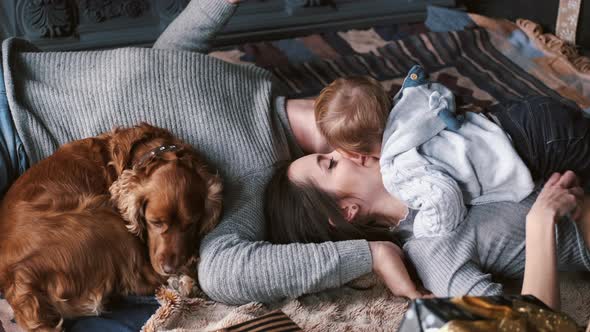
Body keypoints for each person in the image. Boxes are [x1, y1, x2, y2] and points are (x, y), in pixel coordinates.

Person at [0, 1, 436, 330]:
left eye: (378, 151)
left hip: (18, 137)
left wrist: (371, 253)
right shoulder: (266, 85)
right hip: (17, 71)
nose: (363, 150)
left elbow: (223, 272)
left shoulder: (252, 174)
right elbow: (166, 65)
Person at [265, 94, 590, 310]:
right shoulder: (431, 251)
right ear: (346, 211)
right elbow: (527, 327)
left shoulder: (421, 151)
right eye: (331, 164)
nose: (344, 150)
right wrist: (540, 222)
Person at [314, 66, 588, 240]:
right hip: (517, 115)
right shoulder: (410, 104)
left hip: (534, 146)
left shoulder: (399, 168)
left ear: (359, 154)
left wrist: (422, 230)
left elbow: (445, 199)